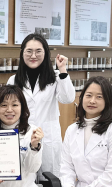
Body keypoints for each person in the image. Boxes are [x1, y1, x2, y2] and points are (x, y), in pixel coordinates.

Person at [8, 33, 75, 178]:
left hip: (48, 138)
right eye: (29, 51)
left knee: (48, 182)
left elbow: (68, 98)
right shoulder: (13, 80)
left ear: (45, 53)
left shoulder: (56, 77)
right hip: (22, 137)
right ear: (22, 53)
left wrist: (63, 69)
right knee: (25, 181)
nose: (34, 55)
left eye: (38, 51)